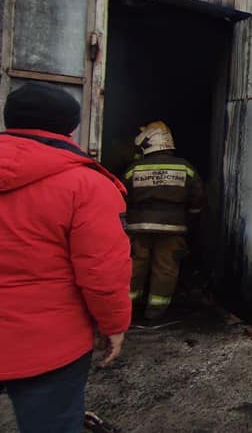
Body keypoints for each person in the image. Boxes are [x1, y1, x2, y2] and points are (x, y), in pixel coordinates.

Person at [0, 83, 131, 432]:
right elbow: (103, 272)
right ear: (70, 128)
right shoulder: (87, 185)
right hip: (47, 346)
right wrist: (113, 325)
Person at [124, 121, 204, 320]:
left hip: (138, 227)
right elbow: (197, 200)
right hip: (173, 228)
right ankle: (155, 313)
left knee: (134, 267)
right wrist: (191, 222)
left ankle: (126, 311)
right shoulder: (186, 168)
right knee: (166, 269)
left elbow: (123, 196)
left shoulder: (134, 169)